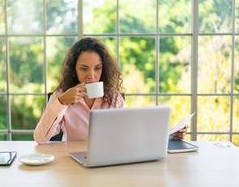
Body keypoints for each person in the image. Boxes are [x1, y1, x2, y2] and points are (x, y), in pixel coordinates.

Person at [33, 37, 186, 144]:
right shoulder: (62, 96)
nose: (91, 76)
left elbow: (131, 133)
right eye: (84, 69)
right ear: (74, 70)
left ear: (104, 69)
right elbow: (40, 138)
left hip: (108, 162)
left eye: (97, 68)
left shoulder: (113, 97)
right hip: (72, 162)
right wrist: (61, 102)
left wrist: (170, 136)